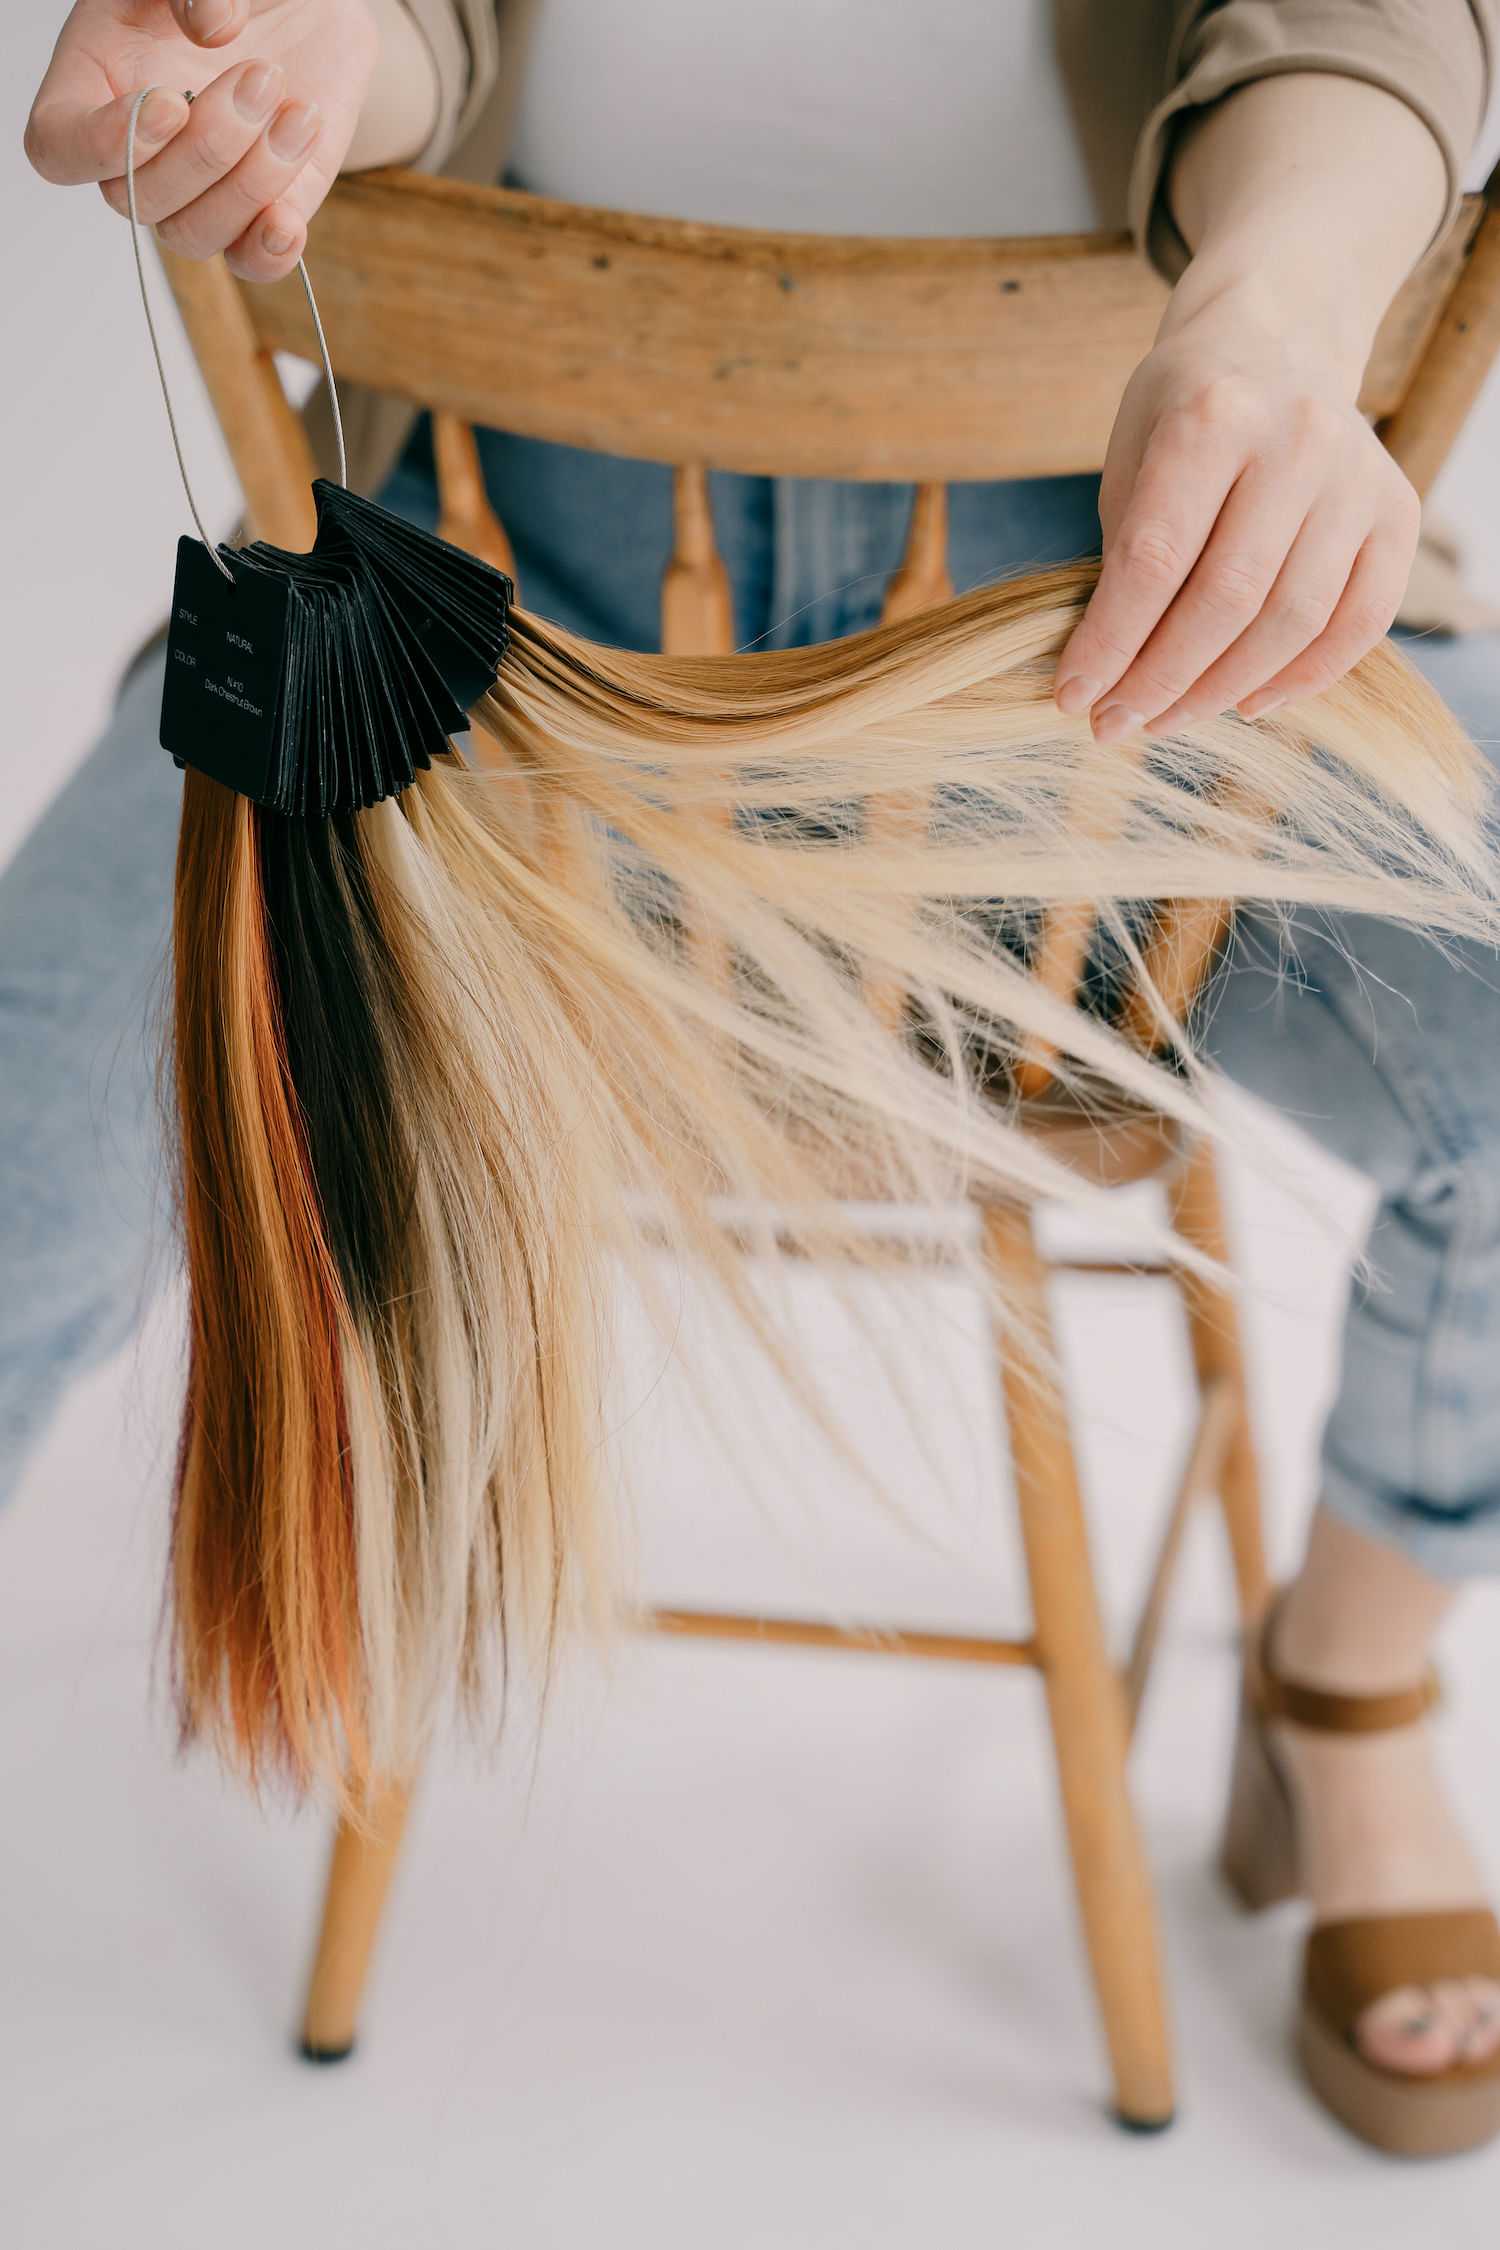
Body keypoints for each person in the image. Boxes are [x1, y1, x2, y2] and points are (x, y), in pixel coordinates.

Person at [18, 0, 1500, 2149]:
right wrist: (301, 58)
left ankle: (1354, 1677)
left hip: (1131, 624)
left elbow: (1361, 28)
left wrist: (1269, 305)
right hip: (500, 643)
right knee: (21, 1141)